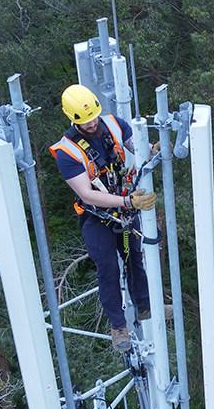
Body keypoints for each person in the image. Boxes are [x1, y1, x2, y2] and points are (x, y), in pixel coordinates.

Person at [48, 84, 156, 352]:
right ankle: (118, 326)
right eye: (85, 121)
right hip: (97, 218)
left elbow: (135, 147)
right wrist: (126, 201)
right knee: (108, 268)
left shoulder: (113, 125)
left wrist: (151, 149)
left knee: (135, 258)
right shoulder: (68, 152)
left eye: (93, 116)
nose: (92, 123)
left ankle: (144, 306)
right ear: (73, 119)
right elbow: (87, 194)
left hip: (125, 209)